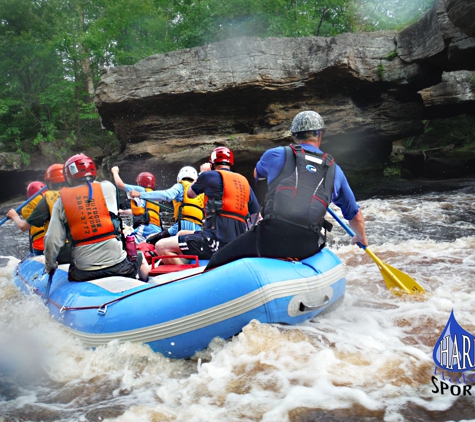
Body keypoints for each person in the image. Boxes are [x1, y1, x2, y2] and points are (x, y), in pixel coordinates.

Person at [205, 110, 368, 270]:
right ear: (319, 135)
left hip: (270, 238)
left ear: (294, 136)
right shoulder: (335, 171)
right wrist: (361, 237)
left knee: (217, 259)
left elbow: (257, 174)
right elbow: (356, 216)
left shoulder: (275, 154)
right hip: (307, 245)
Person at [44, 154, 149, 282]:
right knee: (139, 257)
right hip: (119, 266)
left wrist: (50, 265)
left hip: (83, 271)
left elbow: (51, 239)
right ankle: (144, 283)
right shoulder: (109, 187)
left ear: (68, 177)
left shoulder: (60, 202)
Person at [155, 147, 260, 264]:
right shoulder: (245, 182)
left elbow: (190, 194)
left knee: (161, 246)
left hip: (215, 241)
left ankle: (186, 276)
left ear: (212, 164)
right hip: (238, 243)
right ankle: (190, 263)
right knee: (181, 233)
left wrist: (203, 173)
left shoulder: (208, 175)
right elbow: (257, 216)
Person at [130, 166, 205, 244]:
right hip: (197, 229)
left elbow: (167, 195)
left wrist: (140, 194)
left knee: (152, 240)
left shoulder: (181, 186)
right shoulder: (201, 192)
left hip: (182, 226)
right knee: (160, 235)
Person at [111, 166, 162, 243]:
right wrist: (124, 212)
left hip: (145, 228)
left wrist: (115, 172)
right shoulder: (153, 194)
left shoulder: (140, 190)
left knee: (128, 242)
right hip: (157, 228)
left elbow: (119, 185)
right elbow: (143, 211)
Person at [6, 181, 46, 255]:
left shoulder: (26, 206)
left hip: (41, 247)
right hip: (59, 243)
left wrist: (14, 216)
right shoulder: (52, 200)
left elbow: (23, 226)